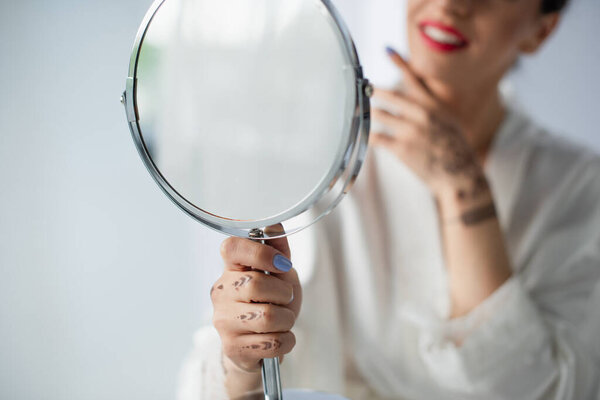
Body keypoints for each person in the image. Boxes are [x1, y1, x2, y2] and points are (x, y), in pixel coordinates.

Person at [178, 0, 600, 398]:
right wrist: (242, 358)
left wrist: (462, 187)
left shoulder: (581, 186)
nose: (451, 3)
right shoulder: (320, 155)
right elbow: (207, 381)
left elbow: (556, 389)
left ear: (541, 31)